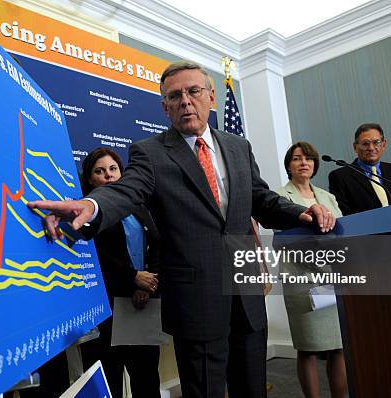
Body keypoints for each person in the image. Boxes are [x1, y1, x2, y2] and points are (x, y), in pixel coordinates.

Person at [28, 61, 335, 398]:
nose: (186, 101)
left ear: (211, 96)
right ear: (165, 107)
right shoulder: (151, 153)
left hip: (246, 299)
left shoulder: (238, 147)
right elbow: (127, 190)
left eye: (194, 91)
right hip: (196, 303)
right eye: (175, 96)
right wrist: (93, 206)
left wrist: (302, 213)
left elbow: (260, 199)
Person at [62, 147, 161, 398]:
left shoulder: (140, 207)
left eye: (113, 169)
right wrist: (131, 279)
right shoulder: (87, 214)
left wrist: (145, 285)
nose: (108, 175)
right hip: (107, 309)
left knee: (146, 377)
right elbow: (93, 257)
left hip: (142, 304)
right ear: (90, 179)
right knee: (110, 379)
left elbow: (158, 245)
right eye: (100, 171)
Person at [275, 142, 347, 398]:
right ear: (289, 166)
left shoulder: (328, 197)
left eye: (308, 158)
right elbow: (283, 240)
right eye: (296, 159)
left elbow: (343, 234)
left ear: (315, 164)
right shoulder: (280, 198)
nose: (303, 162)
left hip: (333, 278)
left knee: (338, 346)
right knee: (308, 348)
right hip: (303, 280)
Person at [328, 123, 391, 215]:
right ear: (355, 147)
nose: (371, 148)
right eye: (365, 143)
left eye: (376, 142)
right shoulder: (340, 177)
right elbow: (344, 213)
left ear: (383, 144)